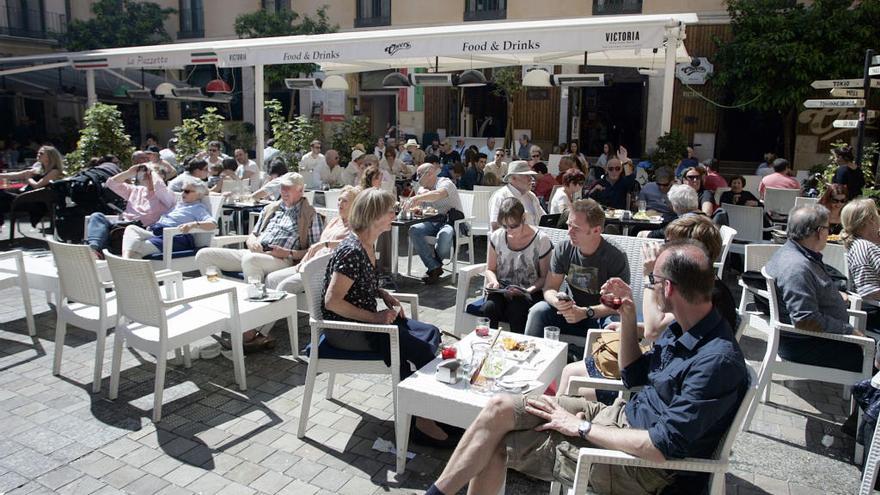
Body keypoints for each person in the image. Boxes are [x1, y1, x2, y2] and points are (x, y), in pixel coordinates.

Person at [427, 240, 748, 495]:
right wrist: (626, 314)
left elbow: (662, 447)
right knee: (499, 407)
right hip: (619, 420)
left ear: (668, 289)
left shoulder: (716, 361)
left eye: (653, 281)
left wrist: (580, 428)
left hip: (641, 469)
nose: (650, 286)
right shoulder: (684, 327)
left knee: (494, 444)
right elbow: (634, 376)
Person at [322, 188, 454, 446]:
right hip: (347, 330)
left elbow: (358, 284)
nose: (395, 213)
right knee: (421, 351)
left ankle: (424, 411)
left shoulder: (366, 244)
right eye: (390, 210)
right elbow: (332, 301)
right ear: (374, 216)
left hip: (365, 322)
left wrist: (382, 293)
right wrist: (375, 318)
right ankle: (421, 423)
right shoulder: (352, 250)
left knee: (430, 332)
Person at [560, 214, 739, 405]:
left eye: (669, 244)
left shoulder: (703, 296)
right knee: (569, 372)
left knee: (570, 377)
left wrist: (650, 277)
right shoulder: (704, 286)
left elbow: (654, 330)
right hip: (658, 365)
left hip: (656, 387)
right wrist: (630, 326)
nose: (662, 248)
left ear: (687, 252)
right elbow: (670, 328)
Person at [766, 204, 866, 372]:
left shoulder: (793, 253)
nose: (829, 232)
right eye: (829, 228)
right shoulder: (797, 267)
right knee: (874, 356)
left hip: (809, 340)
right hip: (807, 345)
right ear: (819, 231)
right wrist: (850, 331)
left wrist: (832, 294)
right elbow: (806, 319)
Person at [196, 171, 323, 293]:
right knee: (204, 255)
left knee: (251, 260)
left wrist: (288, 253)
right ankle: (226, 295)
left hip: (282, 259)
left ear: (300, 190)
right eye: (282, 187)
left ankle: (255, 304)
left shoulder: (310, 215)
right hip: (254, 253)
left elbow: (316, 251)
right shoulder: (271, 209)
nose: (283, 191)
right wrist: (251, 242)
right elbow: (253, 234)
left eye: (288, 188)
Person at [523, 199, 629, 338]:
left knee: (615, 325)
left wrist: (585, 312)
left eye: (576, 228)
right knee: (538, 311)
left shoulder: (615, 256)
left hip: (599, 316)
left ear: (596, 230)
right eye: (569, 226)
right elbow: (549, 288)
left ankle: (602, 359)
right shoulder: (563, 249)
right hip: (571, 312)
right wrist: (557, 302)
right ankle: (532, 356)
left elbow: (617, 303)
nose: (569, 232)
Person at [267, 186, 359, 294]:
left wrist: (326, 244)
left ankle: (285, 310)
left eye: (345, 201)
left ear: (355, 205)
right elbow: (315, 247)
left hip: (326, 269)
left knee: (285, 286)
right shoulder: (334, 221)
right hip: (311, 263)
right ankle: (274, 310)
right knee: (271, 279)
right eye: (339, 199)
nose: (340, 203)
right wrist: (303, 262)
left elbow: (352, 244)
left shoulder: (356, 225)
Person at [482, 197, 552, 333]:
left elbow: (545, 277)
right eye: (504, 226)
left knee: (517, 309)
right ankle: (488, 345)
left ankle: (517, 347)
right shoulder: (497, 236)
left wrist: (527, 291)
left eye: (514, 226)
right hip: (502, 289)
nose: (509, 230)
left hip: (530, 290)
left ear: (524, 218)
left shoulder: (541, 240)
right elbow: (490, 269)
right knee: (489, 307)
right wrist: (494, 282)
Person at [85, 154, 176, 258]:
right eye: (145, 173)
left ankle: (100, 253)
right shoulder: (136, 190)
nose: (147, 175)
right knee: (97, 216)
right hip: (122, 226)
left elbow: (159, 187)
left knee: (128, 229)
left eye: (150, 173)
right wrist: (129, 173)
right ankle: (94, 249)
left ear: (161, 176)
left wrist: (153, 171)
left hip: (141, 231)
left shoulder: (167, 194)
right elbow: (111, 183)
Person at [120, 177, 215, 259]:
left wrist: (193, 224)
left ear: (199, 194)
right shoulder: (180, 205)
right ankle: (126, 260)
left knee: (137, 248)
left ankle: (126, 262)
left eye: (187, 191)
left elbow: (213, 224)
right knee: (131, 229)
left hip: (174, 238)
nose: (182, 193)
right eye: (182, 190)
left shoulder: (197, 208)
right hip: (158, 234)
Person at [401, 163, 463, 284]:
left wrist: (416, 198)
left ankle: (435, 266)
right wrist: (415, 205)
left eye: (419, 175)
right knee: (414, 229)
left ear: (429, 174)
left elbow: (438, 195)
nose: (417, 179)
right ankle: (434, 266)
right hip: (432, 221)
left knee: (444, 235)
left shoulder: (445, 183)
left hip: (451, 222)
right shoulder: (422, 189)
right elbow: (422, 209)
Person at [0, 144, 65, 225]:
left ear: (49, 157)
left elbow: (38, 185)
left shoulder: (55, 171)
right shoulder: (39, 169)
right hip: (26, 198)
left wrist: (28, 178)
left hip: (37, 202)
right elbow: (16, 175)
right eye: (38, 153)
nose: (38, 154)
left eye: (41, 153)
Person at [841, 199, 880, 332]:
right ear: (870, 220)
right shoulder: (866, 247)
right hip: (874, 310)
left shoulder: (859, 244)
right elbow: (869, 291)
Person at [488, 161, 545, 231]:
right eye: (526, 175)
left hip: (536, 238)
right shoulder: (501, 196)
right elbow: (495, 225)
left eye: (530, 175)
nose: (531, 178)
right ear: (513, 178)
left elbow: (544, 218)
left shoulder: (531, 196)